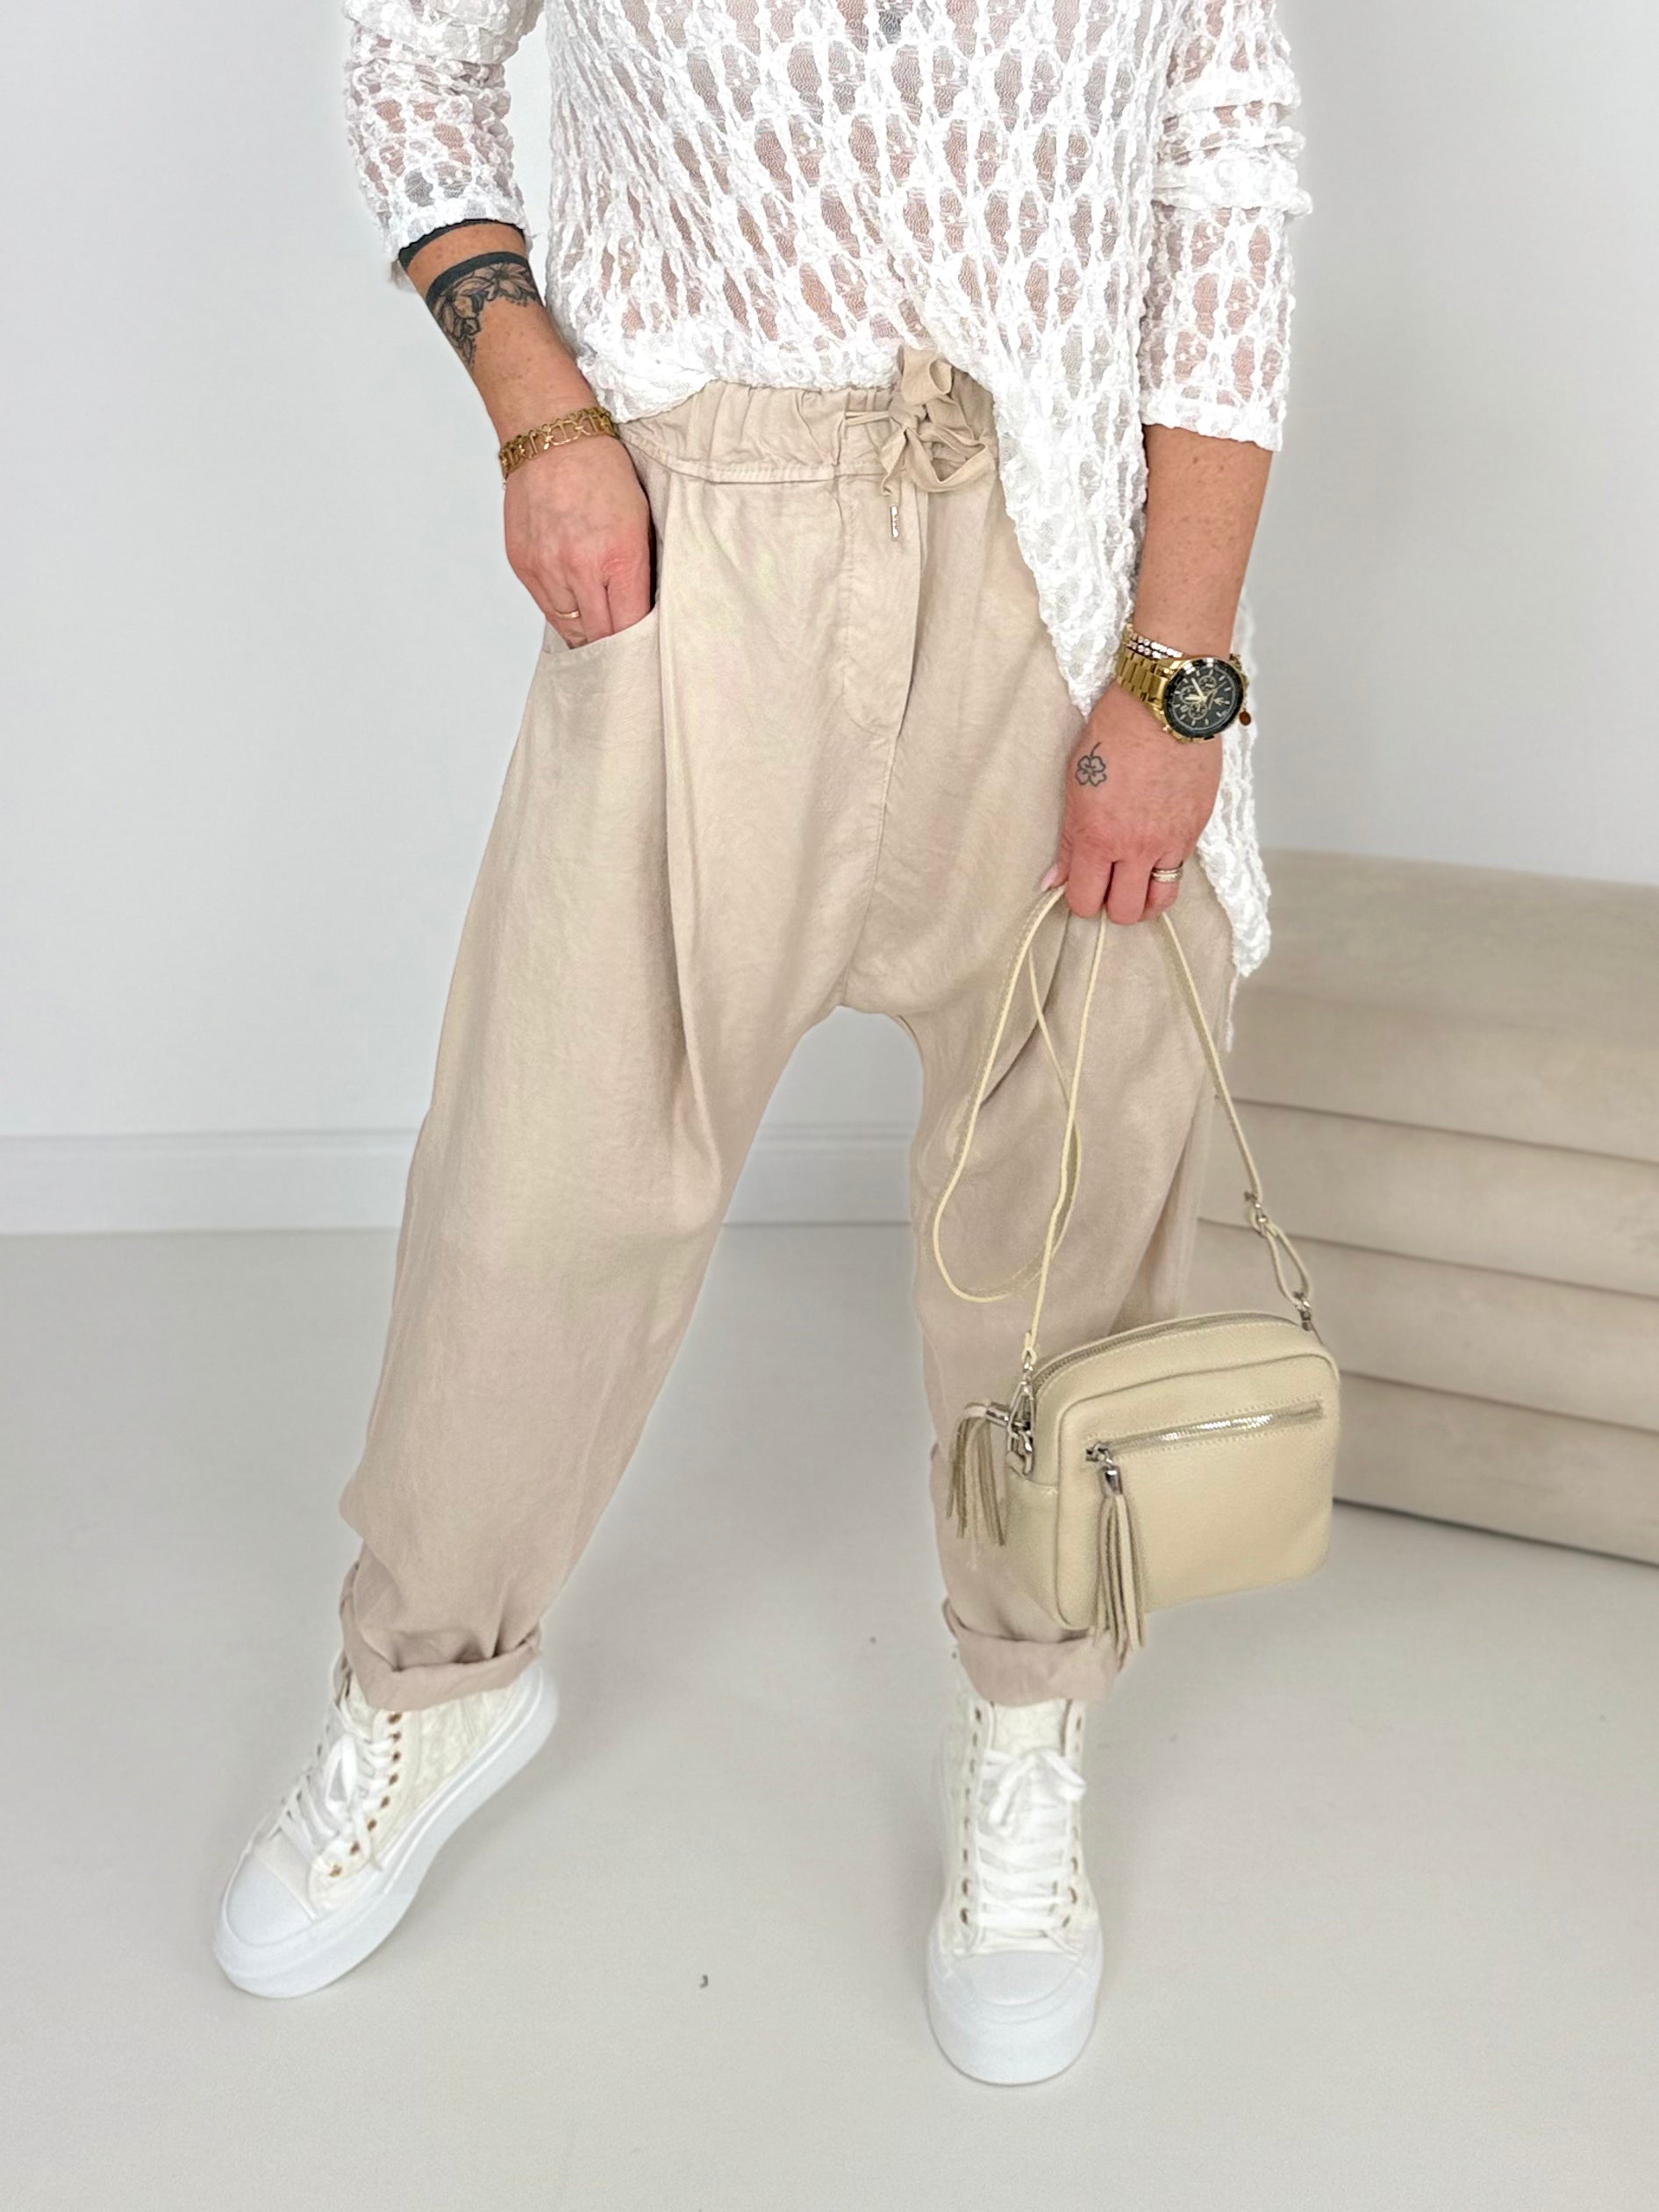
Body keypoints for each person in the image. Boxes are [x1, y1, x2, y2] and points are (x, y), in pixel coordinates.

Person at [212, 0, 1310, 2083]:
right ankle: (434, 1681)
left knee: (1068, 1201)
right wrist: (538, 412)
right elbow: (409, 51)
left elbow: (1226, 190)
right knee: (546, 1170)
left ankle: (1027, 1725)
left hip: (1064, 562)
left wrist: (1178, 675)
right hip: (702, 541)